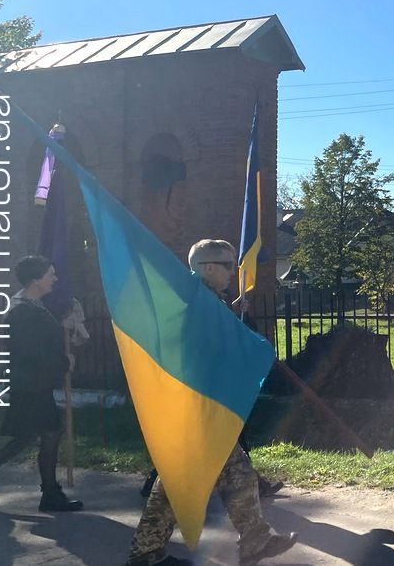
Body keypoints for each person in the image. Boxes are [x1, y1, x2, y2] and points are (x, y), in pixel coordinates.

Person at [126, 240, 296, 566]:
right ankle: (253, 541)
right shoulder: (197, 303)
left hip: (197, 408)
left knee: (185, 483)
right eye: (228, 265)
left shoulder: (201, 300)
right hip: (195, 409)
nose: (234, 272)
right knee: (227, 476)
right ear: (207, 268)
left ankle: (146, 553)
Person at [0, 255, 83, 512]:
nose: (55, 278)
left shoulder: (31, 306)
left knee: (25, 436)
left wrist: (64, 327)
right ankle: (49, 494)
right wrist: (64, 363)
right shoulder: (23, 311)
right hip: (32, 386)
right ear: (36, 279)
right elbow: (32, 353)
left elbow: (41, 340)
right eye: (50, 274)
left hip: (31, 384)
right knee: (50, 431)